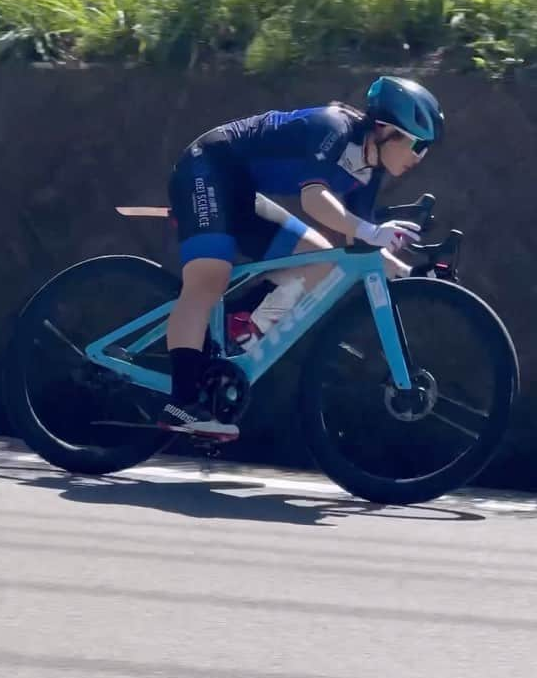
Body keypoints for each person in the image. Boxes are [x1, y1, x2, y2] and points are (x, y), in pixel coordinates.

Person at [158, 76, 444, 441]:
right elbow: (314, 200)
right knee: (208, 279)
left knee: (324, 264)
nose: (420, 157)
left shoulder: (368, 173)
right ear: (387, 130)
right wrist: (375, 232)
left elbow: (361, 248)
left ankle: (238, 325)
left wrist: (414, 275)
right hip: (206, 168)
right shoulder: (334, 127)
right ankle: (182, 403)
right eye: (417, 144)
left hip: (242, 193)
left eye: (428, 148)